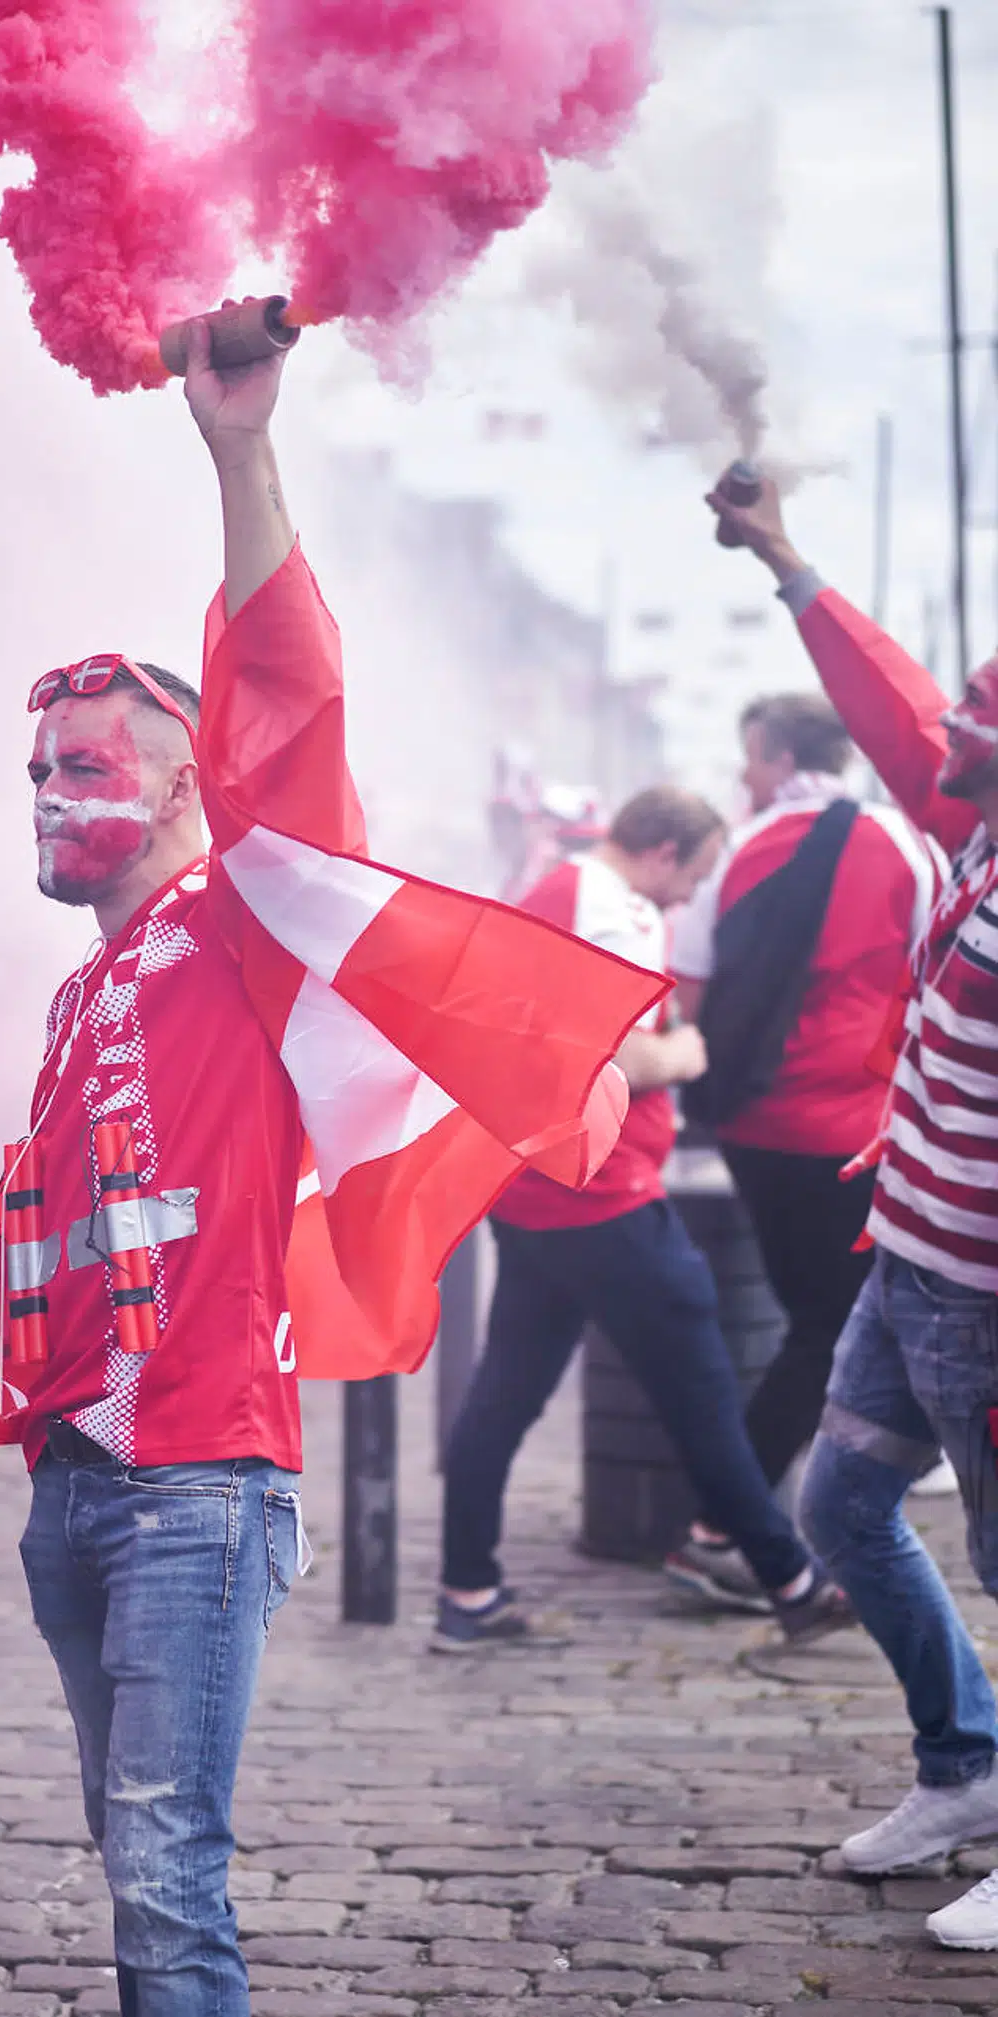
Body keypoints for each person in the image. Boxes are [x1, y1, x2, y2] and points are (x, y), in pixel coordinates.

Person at [0, 327, 658, 2017]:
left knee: (166, 1876)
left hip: (197, 1488)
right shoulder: (90, 989)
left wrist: (238, 451)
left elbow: (288, 711)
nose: (46, 797)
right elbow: (76, 1230)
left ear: (178, 798)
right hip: (73, 1482)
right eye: (33, 771)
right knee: (126, 1847)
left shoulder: (243, 927)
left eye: (85, 768)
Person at [709, 469, 998, 1951]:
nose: (944, 737)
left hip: (990, 1299)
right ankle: (967, 1766)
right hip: (912, 1269)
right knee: (837, 1503)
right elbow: (892, 699)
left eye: (976, 733)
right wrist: (783, 558)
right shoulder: (975, 833)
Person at [436, 786, 854, 1652]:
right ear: (663, 851)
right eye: (694, 876)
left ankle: (466, 1591)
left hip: (540, 1186)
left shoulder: (566, 887)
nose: (689, 897)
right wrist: (686, 1051)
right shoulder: (612, 907)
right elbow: (614, 1051)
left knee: (506, 1394)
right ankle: (790, 1577)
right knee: (700, 1392)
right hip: (602, 1194)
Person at [668, 694, 940, 1606]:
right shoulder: (904, 842)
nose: (743, 776)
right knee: (834, 1323)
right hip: (856, 1129)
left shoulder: (731, 854)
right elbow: (931, 985)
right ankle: (732, 1525)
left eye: (749, 758)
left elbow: (687, 1000)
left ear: (775, 756)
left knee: (823, 1317)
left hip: (753, 1129)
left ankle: (760, 1517)